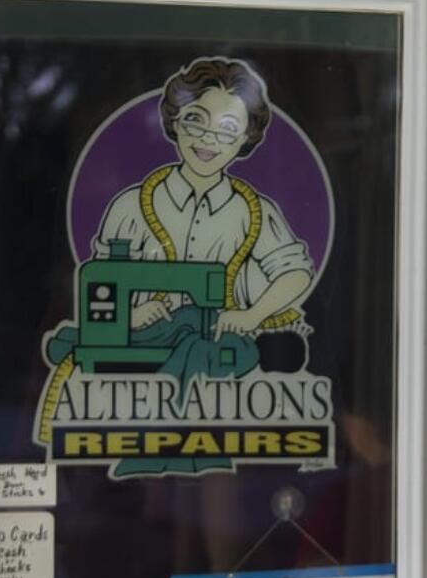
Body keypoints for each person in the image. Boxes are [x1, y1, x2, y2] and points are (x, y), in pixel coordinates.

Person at [93, 56, 313, 369]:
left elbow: (295, 273)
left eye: (227, 128)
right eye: (196, 119)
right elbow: (98, 289)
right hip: (139, 372)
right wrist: (129, 316)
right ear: (175, 122)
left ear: (244, 139)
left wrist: (252, 314)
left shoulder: (256, 212)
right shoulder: (130, 207)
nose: (209, 138)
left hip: (225, 373)